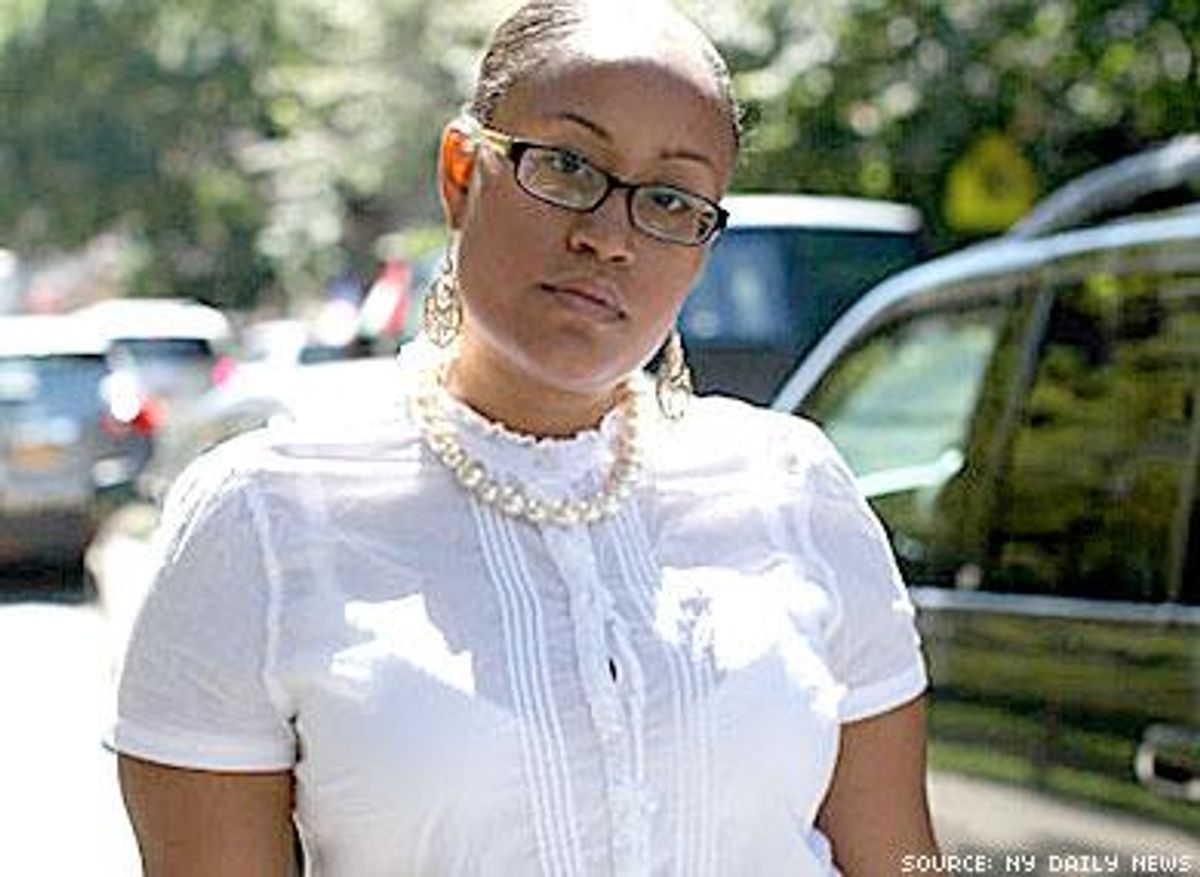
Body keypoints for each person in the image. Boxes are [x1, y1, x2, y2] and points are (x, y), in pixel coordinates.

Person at [111, 0, 945, 873]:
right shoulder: (266, 518)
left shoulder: (794, 490)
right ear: (461, 173)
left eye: (669, 200)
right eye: (568, 167)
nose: (607, 237)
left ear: (702, 247)